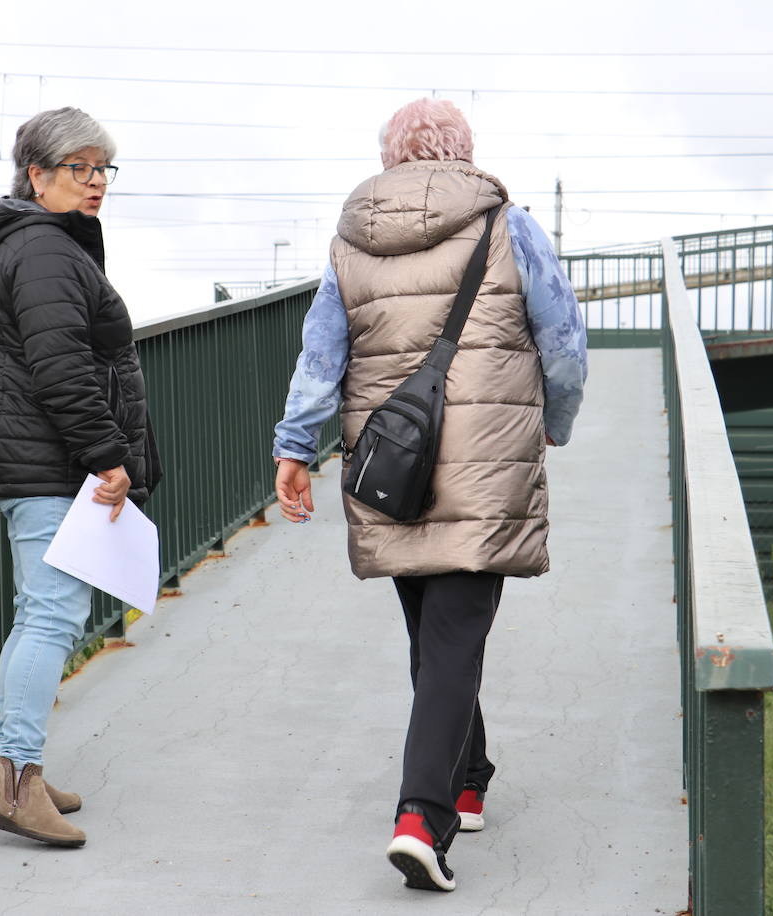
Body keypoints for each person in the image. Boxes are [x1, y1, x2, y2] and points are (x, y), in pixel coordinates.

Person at [271, 98, 586, 892]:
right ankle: (421, 816)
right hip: (486, 463)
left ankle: (469, 778)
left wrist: (294, 447)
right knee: (453, 639)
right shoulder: (507, 226)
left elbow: (321, 354)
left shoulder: (352, 241)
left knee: (433, 636)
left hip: (393, 467)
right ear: (464, 153)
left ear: (392, 158)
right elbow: (563, 341)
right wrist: (556, 419)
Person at [0, 106, 161, 848]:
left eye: (103, 168)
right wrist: (109, 457)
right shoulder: (44, 250)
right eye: (78, 168)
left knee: (36, 614)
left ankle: (19, 769)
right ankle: (17, 780)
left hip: (35, 459)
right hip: (47, 462)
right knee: (50, 617)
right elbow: (62, 369)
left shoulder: (38, 243)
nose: (95, 181)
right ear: (36, 175)